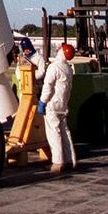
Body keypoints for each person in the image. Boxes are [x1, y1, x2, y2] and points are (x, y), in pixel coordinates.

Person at [38, 42, 77, 174]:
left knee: (54, 133)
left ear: (61, 51)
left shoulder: (54, 67)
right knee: (65, 132)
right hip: (63, 105)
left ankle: (58, 162)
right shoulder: (68, 69)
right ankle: (70, 159)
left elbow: (48, 86)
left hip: (52, 105)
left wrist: (42, 102)